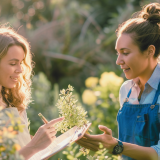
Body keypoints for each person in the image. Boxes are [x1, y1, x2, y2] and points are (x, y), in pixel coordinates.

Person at [76, 3, 160, 160]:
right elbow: (127, 148)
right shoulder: (126, 90)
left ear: (150, 51)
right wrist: (106, 145)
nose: (118, 61)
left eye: (125, 53)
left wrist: (116, 145)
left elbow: (158, 153)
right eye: (117, 53)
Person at [0, 26, 64, 159]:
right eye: (13, 64)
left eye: (21, 63)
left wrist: (44, 146)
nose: (20, 70)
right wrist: (34, 145)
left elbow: (20, 154)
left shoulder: (12, 101)